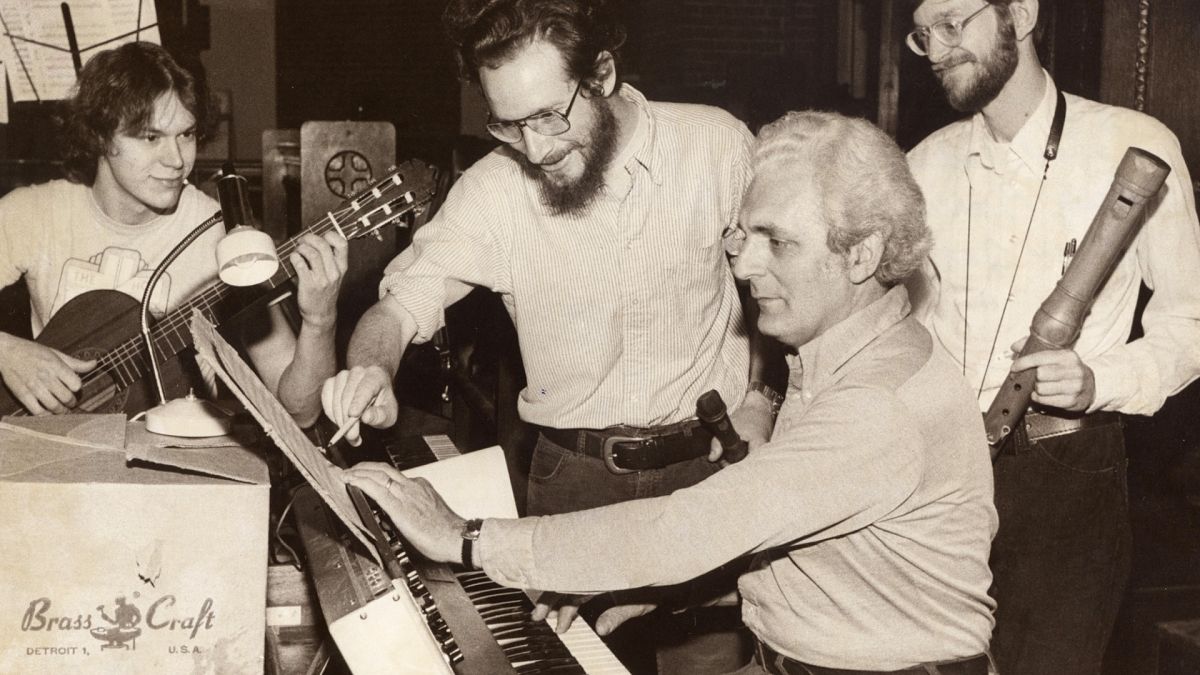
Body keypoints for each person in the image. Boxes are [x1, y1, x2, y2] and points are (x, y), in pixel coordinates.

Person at [342, 111, 998, 675]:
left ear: (863, 254)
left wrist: (463, 536)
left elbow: (690, 526)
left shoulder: (879, 402)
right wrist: (666, 596)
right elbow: (833, 559)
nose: (743, 264)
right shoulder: (837, 355)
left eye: (779, 241)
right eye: (744, 235)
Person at [320, 1, 775, 671]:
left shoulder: (716, 145)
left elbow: (779, 285)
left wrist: (761, 396)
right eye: (507, 124)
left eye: (547, 117)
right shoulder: (493, 192)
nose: (535, 149)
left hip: (709, 469)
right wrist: (371, 371)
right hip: (573, 482)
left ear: (602, 74)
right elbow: (399, 306)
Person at [904, 1, 1200, 672]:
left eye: (954, 22)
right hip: (941, 474)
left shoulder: (1135, 142)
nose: (939, 48)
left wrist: (1102, 380)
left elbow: (1191, 321)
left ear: (1024, 13)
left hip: (1067, 472)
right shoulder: (923, 165)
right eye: (924, 35)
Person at [0, 41, 345, 427]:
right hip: (61, 452)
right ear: (100, 136)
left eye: (186, 134)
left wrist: (320, 321)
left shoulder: (223, 235)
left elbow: (300, 411)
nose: (177, 160)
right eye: (151, 137)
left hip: (182, 460)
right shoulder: (33, 214)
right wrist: (6, 351)